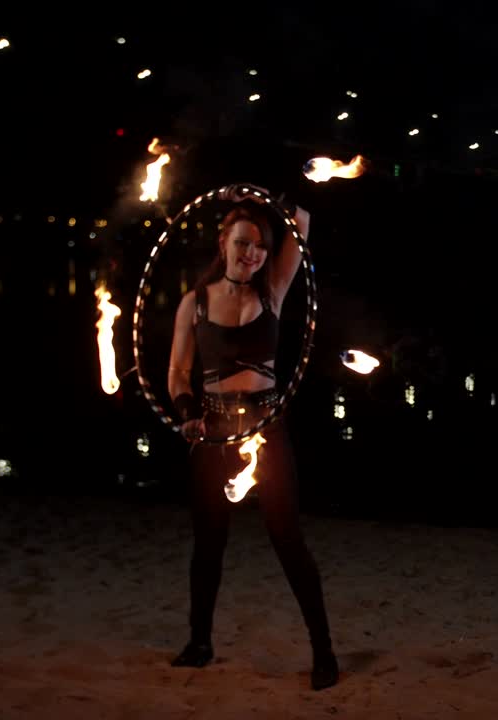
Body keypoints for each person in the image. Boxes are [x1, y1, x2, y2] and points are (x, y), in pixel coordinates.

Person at [166, 188, 339, 691]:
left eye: (260, 246)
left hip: (266, 427)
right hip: (214, 432)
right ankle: (200, 643)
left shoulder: (273, 292)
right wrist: (184, 412)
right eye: (242, 243)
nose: (252, 254)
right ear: (222, 244)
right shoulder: (193, 304)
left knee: (289, 540)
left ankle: (323, 651)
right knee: (209, 544)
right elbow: (178, 371)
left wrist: (281, 197)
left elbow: (301, 223)